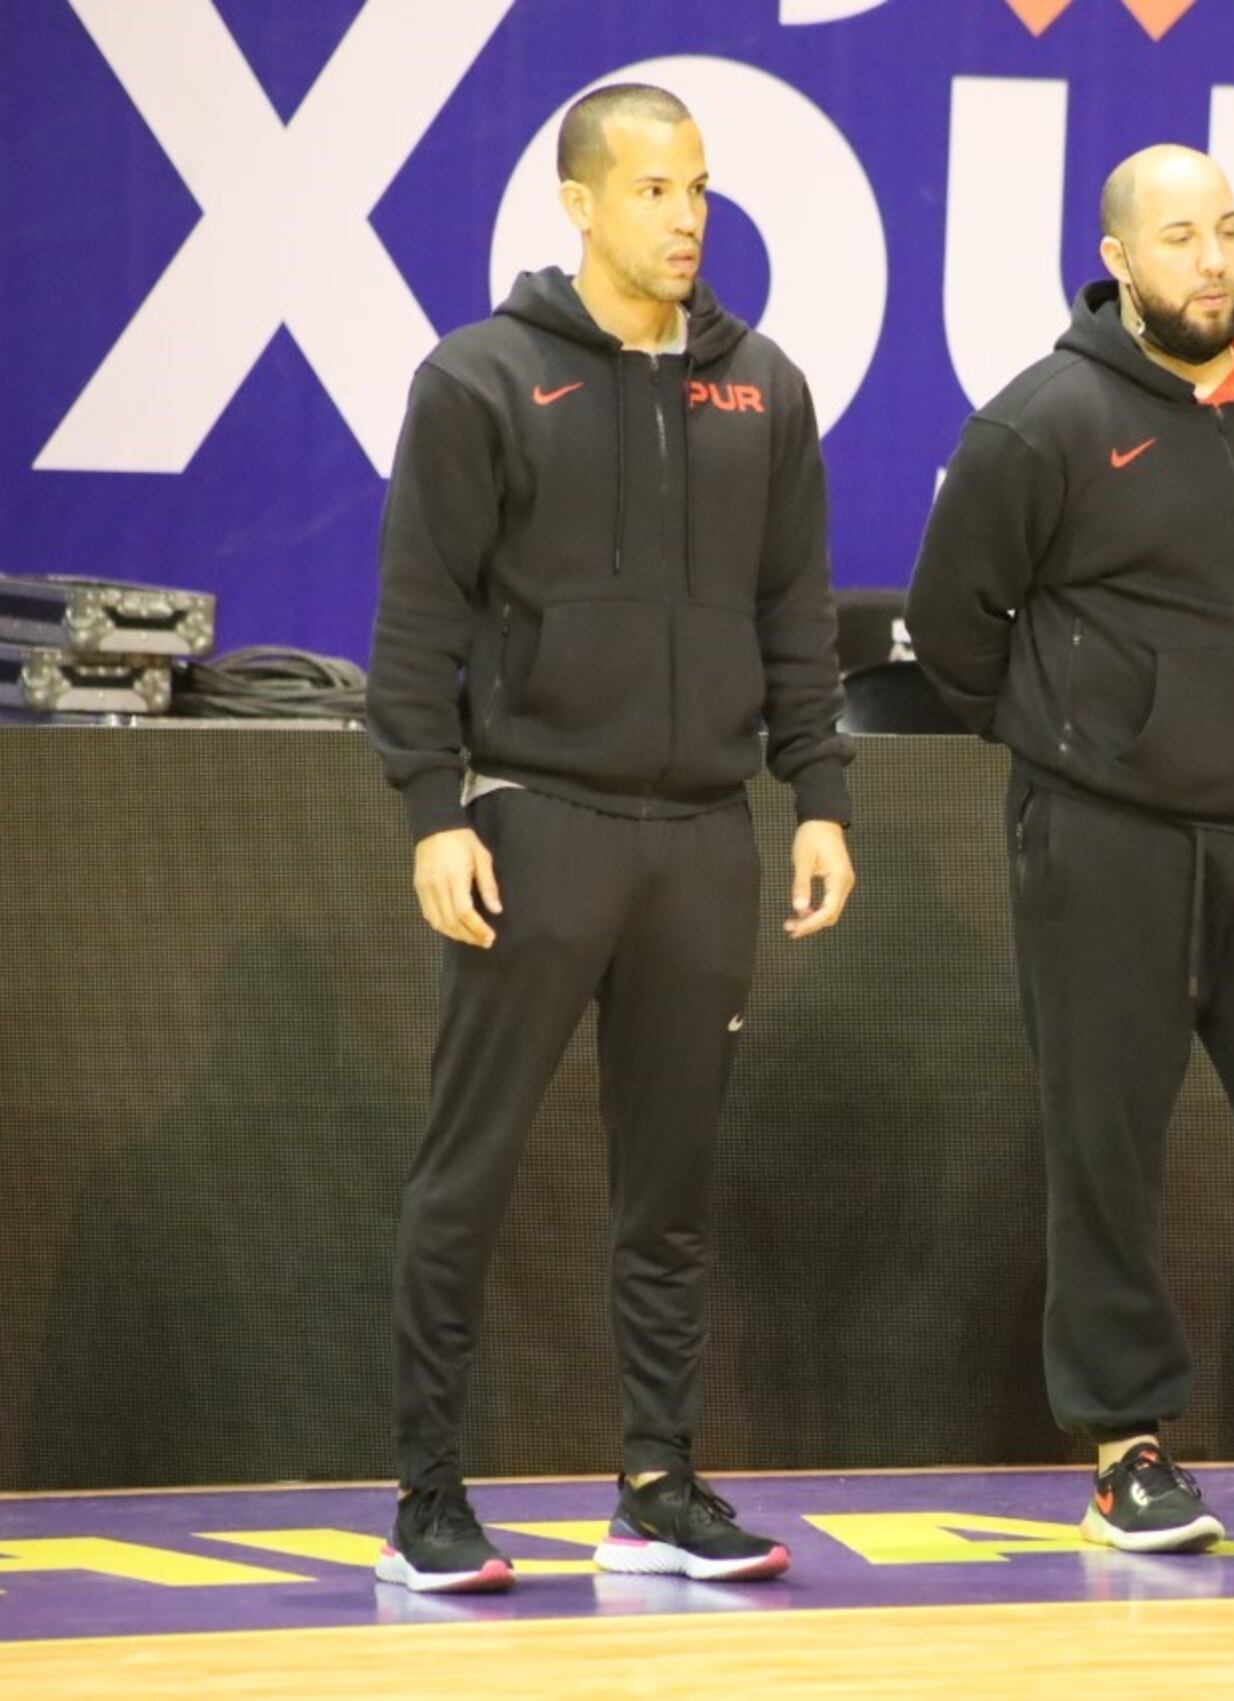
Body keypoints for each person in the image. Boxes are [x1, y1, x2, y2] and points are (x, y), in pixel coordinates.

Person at [906, 145, 1234, 1560]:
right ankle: (1127, 1448)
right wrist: (1097, 735)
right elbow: (956, 628)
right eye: (1178, 239)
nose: (1211, 261)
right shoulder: (1046, 423)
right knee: (1107, 1156)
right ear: (1120, 260)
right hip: (1107, 845)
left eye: (1226, 231)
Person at [365, 83, 856, 1593]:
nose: (686, 217)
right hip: (539, 822)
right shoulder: (482, 380)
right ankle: (428, 1499)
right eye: (653, 191)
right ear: (578, 203)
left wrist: (818, 793)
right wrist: (434, 812)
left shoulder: (761, 385)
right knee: (471, 1174)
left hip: (703, 836)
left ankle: (655, 1484)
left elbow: (795, 613)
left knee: (673, 1188)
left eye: (699, 189)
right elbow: (417, 625)